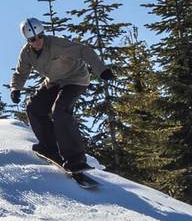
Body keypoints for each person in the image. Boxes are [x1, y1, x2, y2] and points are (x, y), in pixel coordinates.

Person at [8, 17, 113, 173]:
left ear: (43, 34)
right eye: (32, 39)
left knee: (60, 110)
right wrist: (15, 88)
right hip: (54, 81)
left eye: (40, 36)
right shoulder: (27, 53)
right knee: (34, 108)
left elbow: (84, 51)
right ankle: (49, 146)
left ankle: (76, 159)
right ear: (27, 39)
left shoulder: (57, 44)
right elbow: (21, 72)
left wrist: (101, 69)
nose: (37, 41)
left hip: (75, 79)